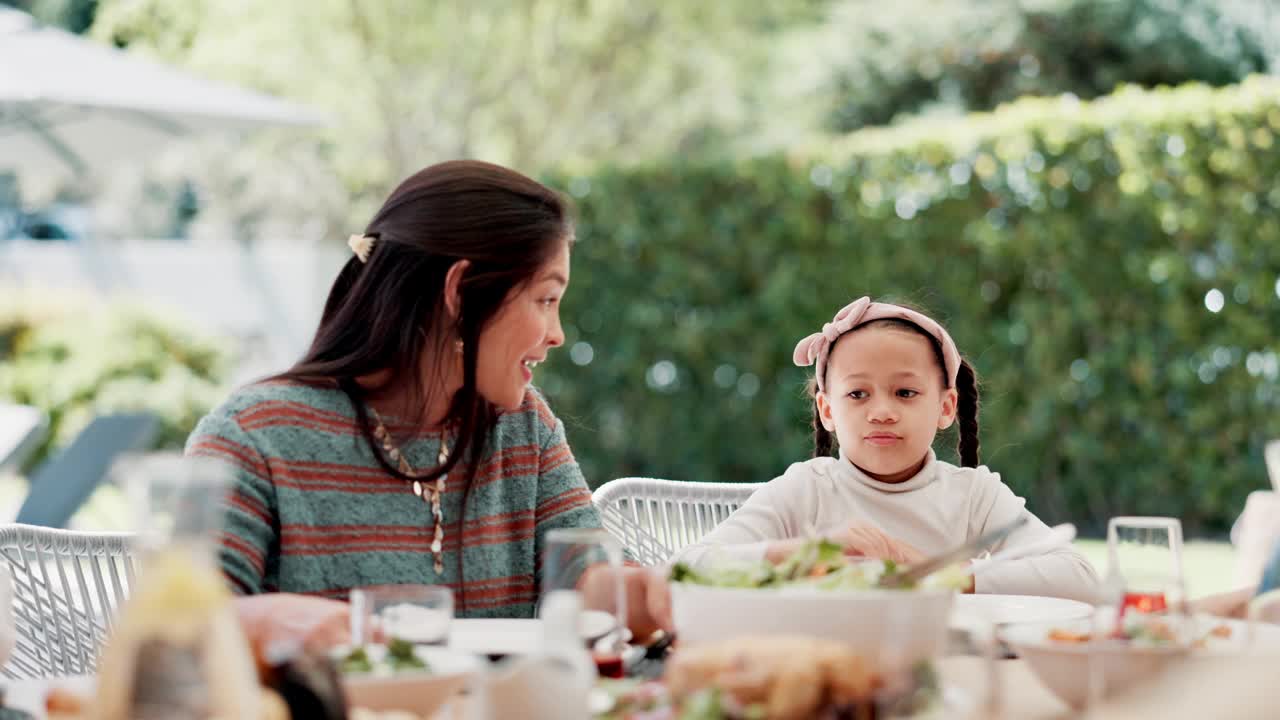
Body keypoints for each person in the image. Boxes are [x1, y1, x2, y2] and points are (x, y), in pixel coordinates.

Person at [186, 160, 670, 648]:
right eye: (545, 299)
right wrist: (265, 623)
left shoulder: (524, 429)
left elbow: (586, 581)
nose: (557, 334)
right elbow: (174, 629)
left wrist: (657, 593)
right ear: (460, 292)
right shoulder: (251, 434)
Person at [673, 296, 1099, 602]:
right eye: (858, 394)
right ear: (827, 410)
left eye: (906, 392)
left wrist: (944, 574)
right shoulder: (805, 489)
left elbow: (1079, 577)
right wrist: (811, 551)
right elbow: (688, 568)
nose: (881, 412)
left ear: (946, 406)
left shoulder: (973, 494)